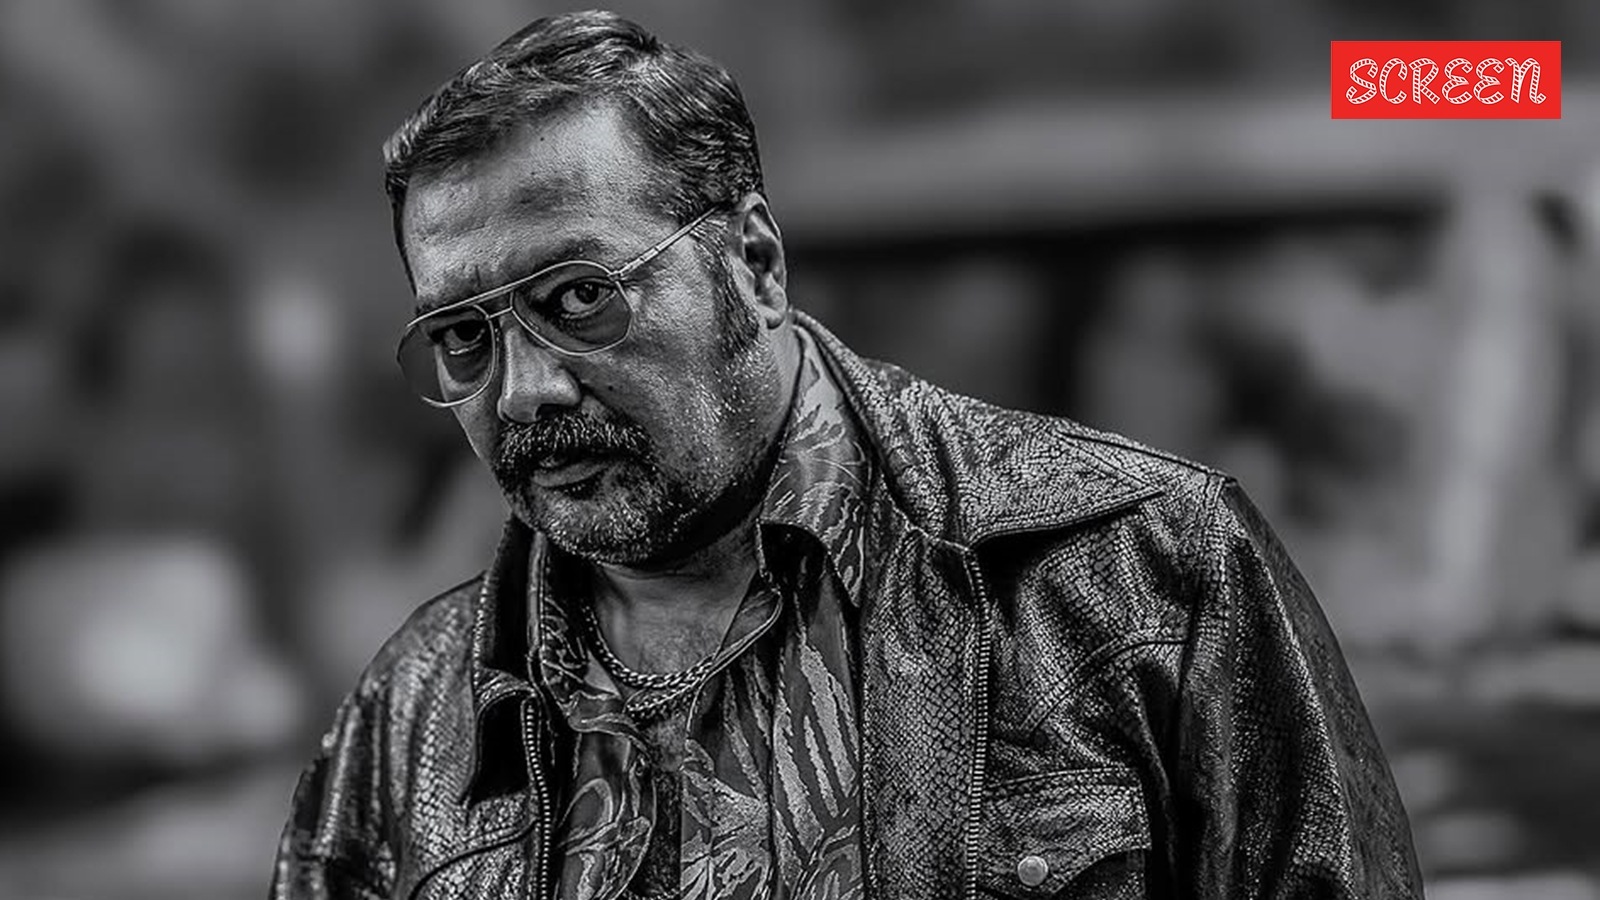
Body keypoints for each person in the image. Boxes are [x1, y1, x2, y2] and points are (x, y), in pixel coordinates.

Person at [271, 10, 1422, 899]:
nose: (526, 389)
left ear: (755, 266)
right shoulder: (411, 716)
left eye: (579, 298)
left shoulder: (1142, 577)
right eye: (463, 338)